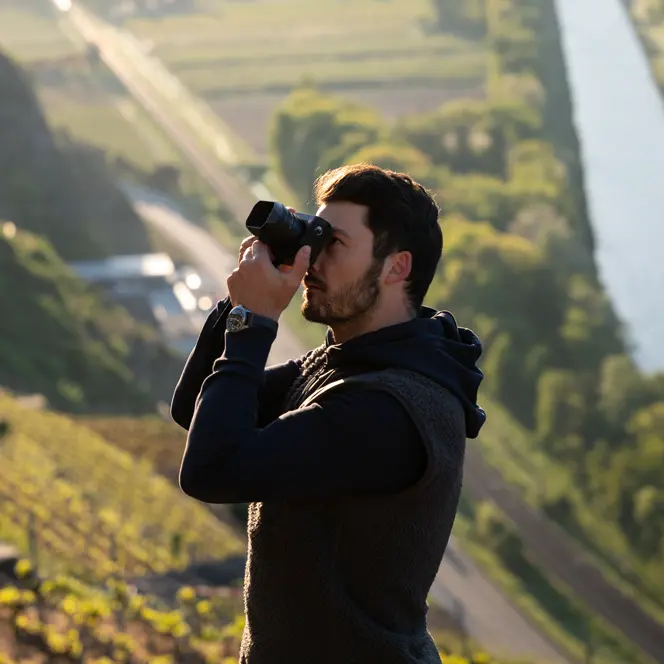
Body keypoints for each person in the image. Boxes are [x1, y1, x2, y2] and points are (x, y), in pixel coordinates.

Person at [171, 163, 486, 664]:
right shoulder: (339, 366)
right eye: (310, 237)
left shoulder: (388, 409)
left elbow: (211, 470)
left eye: (332, 243)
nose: (310, 260)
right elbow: (196, 410)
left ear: (396, 267)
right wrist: (238, 303)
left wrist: (255, 321)